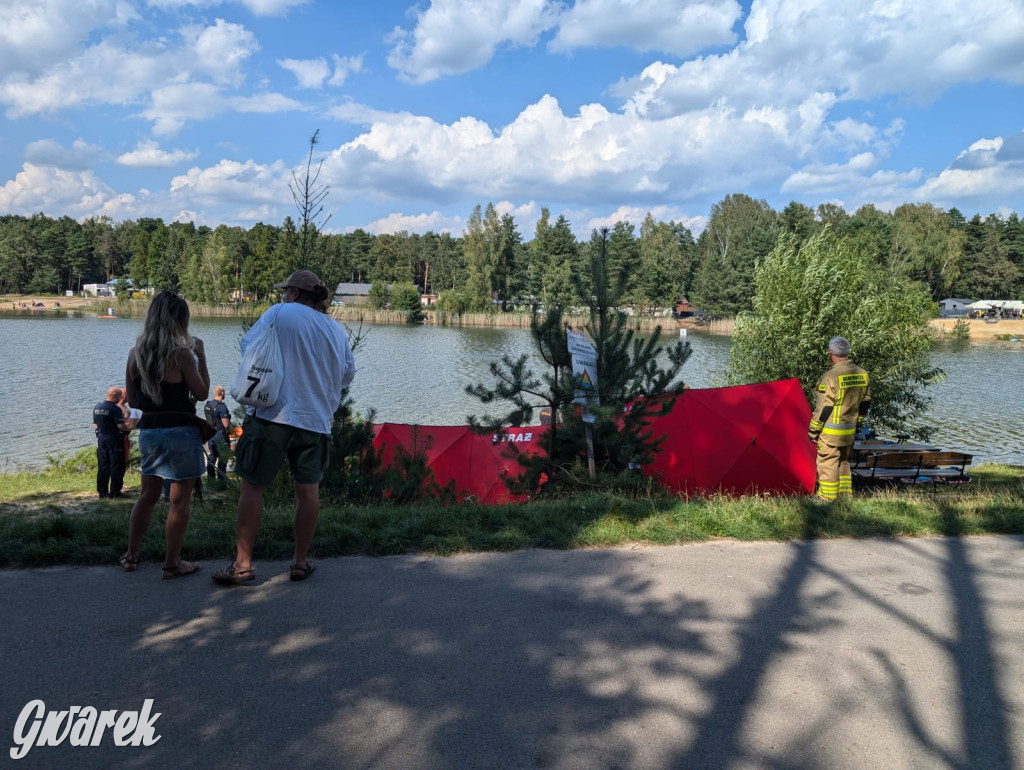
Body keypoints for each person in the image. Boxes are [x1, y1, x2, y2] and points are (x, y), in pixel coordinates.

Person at [213, 270, 355, 585]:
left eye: (284, 291)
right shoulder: (334, 329)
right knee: (308, 492)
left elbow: (249, 348)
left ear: (293, 293)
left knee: (252, 485)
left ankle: (243, 564)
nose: (282, 296)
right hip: (315, 421)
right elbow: (346, 375)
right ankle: (300, 562)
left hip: (272, 415)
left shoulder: (279, 313)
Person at [118, 290, 209, 578]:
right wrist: (201, 358)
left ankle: (131, 555)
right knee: (178, 500)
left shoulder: (136, 354)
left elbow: (133, 402)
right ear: (180, 321)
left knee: (147, 495)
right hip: (181, 432)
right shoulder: (181, 355)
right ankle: (172, 562)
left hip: (150, 432)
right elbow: (203, 393)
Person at [808, 336, 871, 502]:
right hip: (849, 431)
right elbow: (865, 403)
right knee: (843, 463)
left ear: (831, 353)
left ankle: (826, 499)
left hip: (830, 433)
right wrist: (858, 425)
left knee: (827, 463)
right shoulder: (862, 374)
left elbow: (824, 408)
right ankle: (844, 497)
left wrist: (813, 431)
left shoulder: (830, 377)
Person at [93, 387, 130, 498]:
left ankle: (102, 492)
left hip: (101, 438)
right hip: (114, 439)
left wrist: (99, 433)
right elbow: (121, 426)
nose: (120, 398)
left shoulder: (97, 407)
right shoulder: (114, 409)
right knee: (116, 465)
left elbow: (95, 424)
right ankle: (115, 492)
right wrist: (128, 429)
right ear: (116, 396)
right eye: (120, 396)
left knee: (103, 465)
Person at [204, 386, 232, 480]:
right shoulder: (222, 407)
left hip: (211, 434)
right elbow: (225, 424)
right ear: (222, 393)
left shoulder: (208, 405)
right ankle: (222, 480)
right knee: (223, 458)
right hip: (220, 435)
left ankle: (211, 479)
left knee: (212, 456)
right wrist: (231, 430)